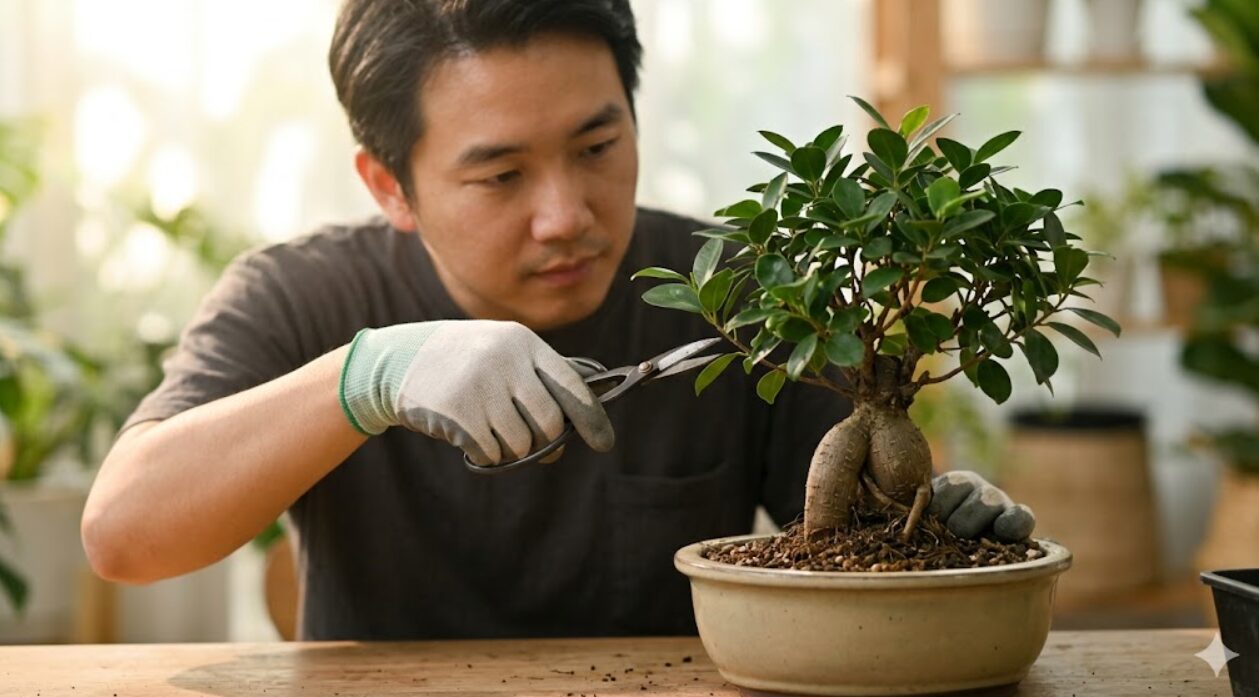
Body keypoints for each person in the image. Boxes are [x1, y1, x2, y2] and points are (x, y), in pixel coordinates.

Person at [81, 0, 1034, 641]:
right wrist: (361, 379)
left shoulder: (744, 290)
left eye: (597, 144)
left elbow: (851, 565)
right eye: (500, 175)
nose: (566, 214)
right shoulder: (304, 297)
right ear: (389, 184)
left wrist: (940, 541)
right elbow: (125, 533)